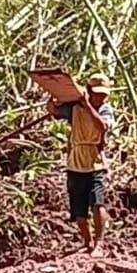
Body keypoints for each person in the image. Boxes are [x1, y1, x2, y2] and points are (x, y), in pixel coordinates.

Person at [49, 74, 115, 253]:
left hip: (95, 164)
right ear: (88, 91)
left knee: (97, 203)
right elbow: (54, 111)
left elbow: (102, 126)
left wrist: (87, 106)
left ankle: (99, 244)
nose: (100, 98)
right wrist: (54, 96)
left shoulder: (105, 110)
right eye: (96, 94)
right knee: (78, 209)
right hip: (75, 164)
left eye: (103, 95)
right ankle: (87, 242)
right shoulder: (74, 108)